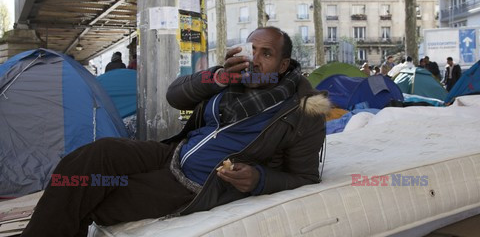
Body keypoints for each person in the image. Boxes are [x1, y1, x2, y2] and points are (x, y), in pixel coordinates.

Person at [22, 27, 330, 237]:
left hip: (196, 183)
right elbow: (175, 96)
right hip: (172, 152)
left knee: (98, 198)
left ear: (283, 64)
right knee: (93, 157)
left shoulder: (303, 113)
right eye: (252, 51)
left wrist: (259, 179)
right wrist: (217, 76)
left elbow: (304, 177)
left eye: (267, 54)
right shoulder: (228, 80)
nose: (256, 60)